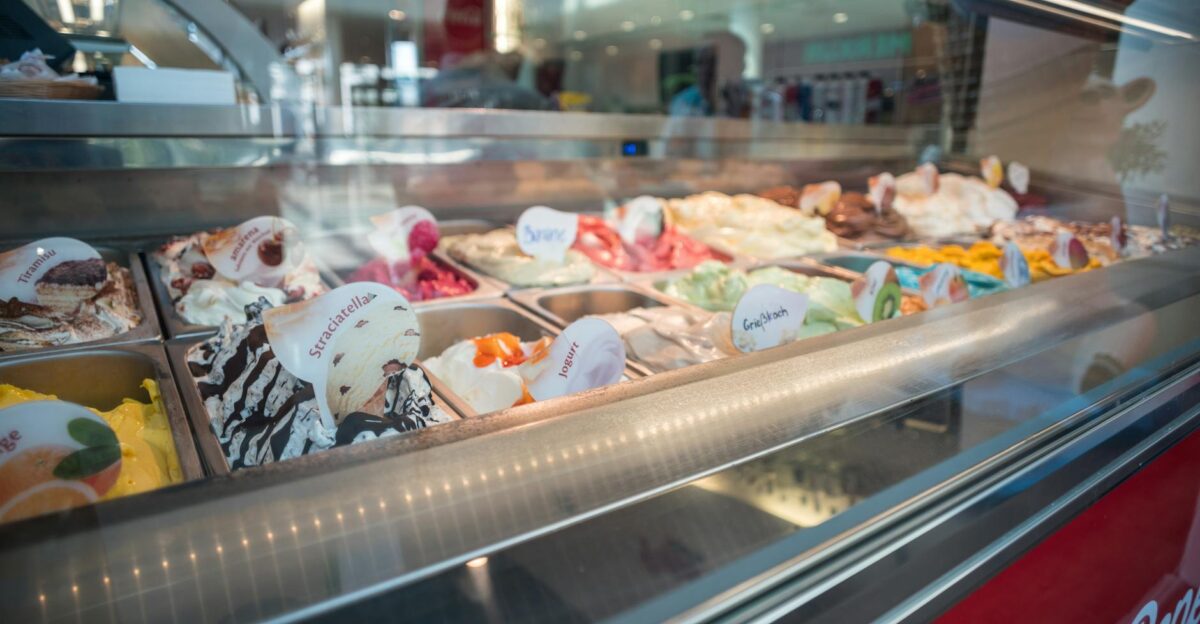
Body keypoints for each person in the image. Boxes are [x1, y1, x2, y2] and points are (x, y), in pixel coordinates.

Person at [669, 31, 747, 117]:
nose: (704, 71)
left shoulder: (754, 100)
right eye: (700, 63)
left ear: (741, 65)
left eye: (713, 62)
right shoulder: (684, 101)